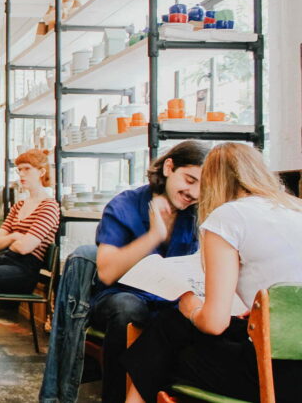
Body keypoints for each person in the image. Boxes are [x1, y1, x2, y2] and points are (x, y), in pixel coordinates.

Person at [123, 143, 302, 403]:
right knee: (170, 334)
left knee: (168, 334)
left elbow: (214, 324)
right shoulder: (296, 208)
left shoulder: (228, 217)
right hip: (291, 364)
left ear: (212, 182)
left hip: (273, 377)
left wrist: (191, 307)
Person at [90, 140, 208, 403]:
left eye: (203, 187)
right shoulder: (125, 205)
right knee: (128, 308)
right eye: (189, 180)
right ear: (168, 167)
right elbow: (106, 273)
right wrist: (155, 235)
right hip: (120, 298)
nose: (194, 193)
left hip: (173, 302)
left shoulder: (197, 214)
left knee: (201, 319)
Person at [0, 149, 59, 362]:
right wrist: (16, 236)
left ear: (41, 172)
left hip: (26, 270)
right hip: (6, 259)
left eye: (27, 169)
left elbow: (26, 248)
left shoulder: (49, 207)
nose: (22, 174)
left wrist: (14, 238)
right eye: (19, 170)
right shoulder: (19, 205)